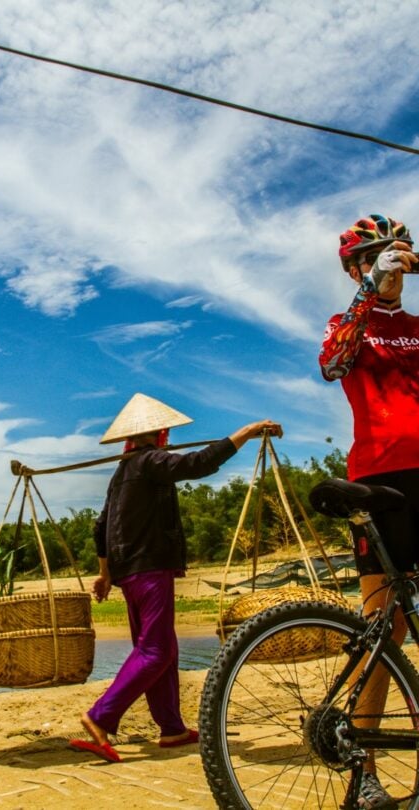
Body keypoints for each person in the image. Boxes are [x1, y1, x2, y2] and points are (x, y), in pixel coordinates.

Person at [69, 392, 282, 763]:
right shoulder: (150, 461)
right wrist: (247, 432)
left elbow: (101, 527)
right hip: (149, 569)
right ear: (160, 433)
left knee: (162, 648)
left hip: (129, 574)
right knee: (157, 650)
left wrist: (105, 575)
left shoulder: (122, 472)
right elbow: (198, 464)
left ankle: (171, 728)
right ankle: (100, 717)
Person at [319, 213, 419, 809]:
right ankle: (365, 772)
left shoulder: (416, 327)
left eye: (397, 251)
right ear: (357, 266)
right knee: (385, 626)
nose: (392, 262)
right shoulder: (347, 322)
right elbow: (332, 365)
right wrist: (368, 290)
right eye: (377, 255)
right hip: (381, 479)